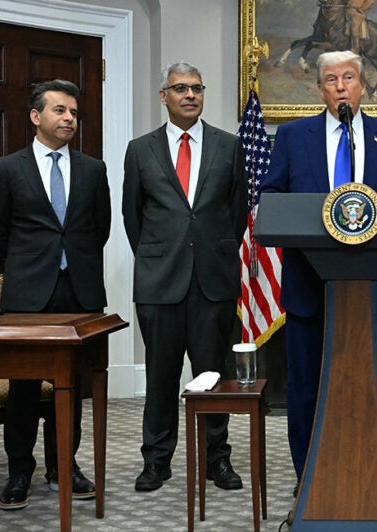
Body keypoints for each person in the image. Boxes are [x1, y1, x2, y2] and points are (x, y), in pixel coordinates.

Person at [259, 50, 377, 486]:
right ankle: (308, 474)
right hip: (308, 284)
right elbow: (271, 196)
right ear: (319, 89)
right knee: (306, 387)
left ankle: (364, 470)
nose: (340, 86)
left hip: (370, 287)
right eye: (330, 79)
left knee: (364, 384)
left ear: (363, 85)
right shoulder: (294, 136)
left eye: (348, 77)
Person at [0, 79, 110, 510]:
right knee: (23, 387)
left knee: (70, 385)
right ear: (36, 117)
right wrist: (28, 268)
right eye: (60, 110)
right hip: (26, 297)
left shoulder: (93, 169)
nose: (69, 118)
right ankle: (20, 470)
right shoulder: (7, 168)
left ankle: (64, 465)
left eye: (74, 112)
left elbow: (99, 230)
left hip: (79, 293)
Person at [122, 62, 248, 492]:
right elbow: (132, 218)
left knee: (214, 374)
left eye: (196, 88)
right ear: (164, 97)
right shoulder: (140, 150)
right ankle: (156, 461)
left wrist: (209, 251)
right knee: (160, 375)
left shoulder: (229, 147)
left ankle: (218, 460)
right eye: (180, 88)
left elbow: (237, 214)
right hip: (160, 282)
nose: (190, 95)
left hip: (213, 280)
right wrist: (163, 255)